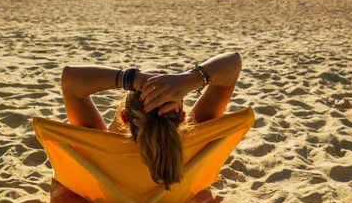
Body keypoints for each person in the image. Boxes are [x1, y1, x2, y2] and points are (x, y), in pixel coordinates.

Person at [61, 52, 242, 190]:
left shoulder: (100, 148)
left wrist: (132, 79)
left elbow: (70, 78)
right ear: (181, 116)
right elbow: (233, 61)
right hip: (174, 201)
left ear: (123, 118)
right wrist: (189, 79)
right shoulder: (197, 138)